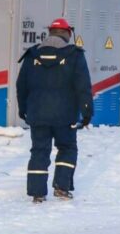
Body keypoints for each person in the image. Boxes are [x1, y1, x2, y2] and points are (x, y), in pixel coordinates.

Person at [16, 17, 93, 203]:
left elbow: (21, 85)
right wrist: (87, 112)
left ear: (50, 33)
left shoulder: (32, 54)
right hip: (65, 116)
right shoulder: (75, 55)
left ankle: (37, 193)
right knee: (67, 148)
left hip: (38, 115)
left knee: (39, 151)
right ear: (67, 33)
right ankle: (62, 188)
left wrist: (23, 109)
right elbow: (83, 87)